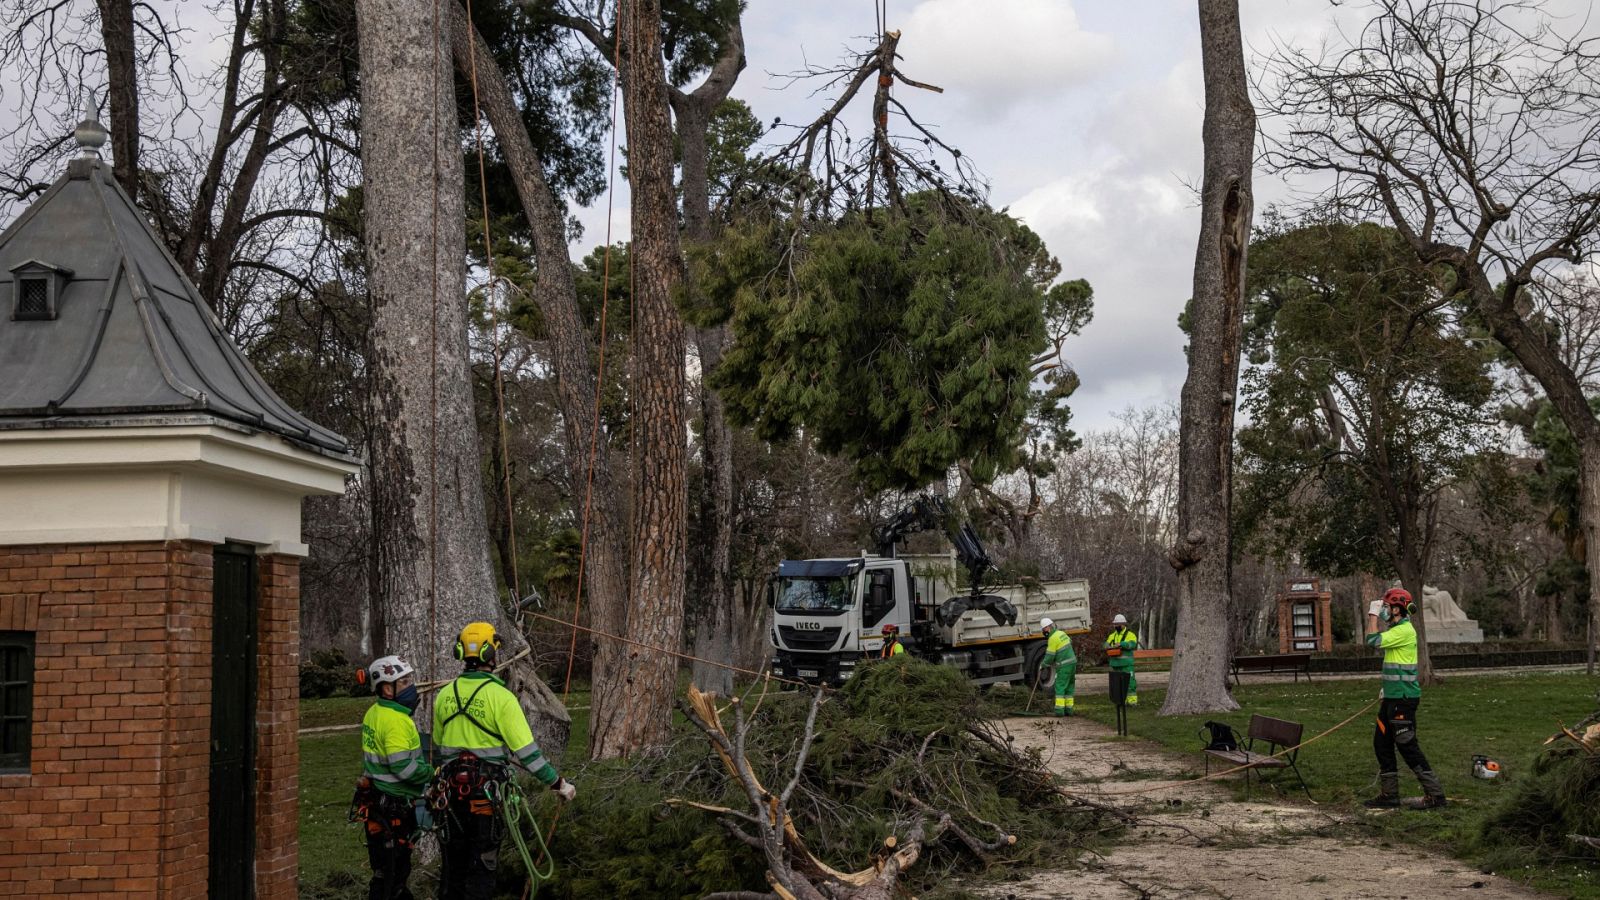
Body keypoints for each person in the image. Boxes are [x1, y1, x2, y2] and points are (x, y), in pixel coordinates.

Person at [433, 622, 578, 900]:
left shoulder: (444, 696)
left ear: (461, 652)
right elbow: (528, 755)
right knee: (482, 868)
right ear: (492, 653)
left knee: (453, 870)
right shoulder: (502, 698)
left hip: (450, 798)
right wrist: (558, 783)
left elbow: (441, 751)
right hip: (485, 798)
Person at [1363, 588, 1446, 810]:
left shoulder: (1405, 631)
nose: (1384, 612)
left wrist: (1372, 615)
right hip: (1392, 697)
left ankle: (1435, 795)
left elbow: (1372, 640)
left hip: (1403, 700)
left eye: (1387, 608)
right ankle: (1389, 794)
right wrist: (1387, 690)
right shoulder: (1397, 628)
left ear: (1398, 609)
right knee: (1381, 744)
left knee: (1408, 747)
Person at [358, 655, 433, 900]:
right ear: (386, 689)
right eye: (404, 683)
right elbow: (404, 769)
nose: (411, 687)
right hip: (393, 809)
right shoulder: (397, 721)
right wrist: (431, 773)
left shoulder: (374, 713)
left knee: (384, 873)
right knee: (393, 875)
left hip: (377, 804)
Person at [1039, 617, 1076, 716]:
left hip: (1064, 665)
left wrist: (1043, 665)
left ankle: (1059, 711)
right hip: (1072, 662)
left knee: (1060, 686)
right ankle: (1069, 710)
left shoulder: (1052, 639)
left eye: (1043, 629)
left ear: (1048, 628)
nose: (1043, 632)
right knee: (1069, 686)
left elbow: (1049, 656)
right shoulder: (1061, 633)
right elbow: (1070, 642)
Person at [1103, 614, 1139, 706]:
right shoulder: (1112, 635)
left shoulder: (1130, 635)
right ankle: (1121, 701)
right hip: (1115, 664)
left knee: (1130, 683)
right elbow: (1106, 644)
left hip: (1127, 664)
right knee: (1118, 685)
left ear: (1123, 624)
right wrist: (1107, 646)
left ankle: (1132, 702)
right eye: (1115, 624)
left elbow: (1132, 644)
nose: (1116, 626)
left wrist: (1121, 644)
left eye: (1118, 624)